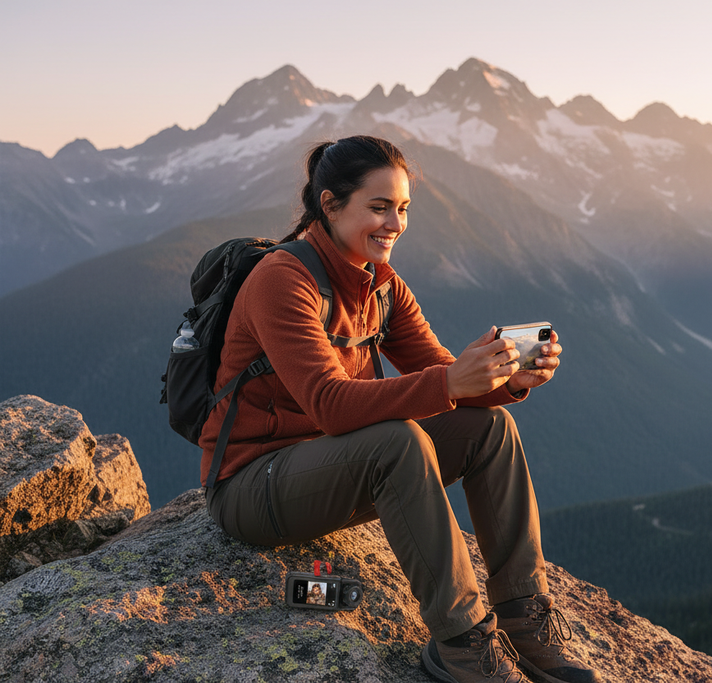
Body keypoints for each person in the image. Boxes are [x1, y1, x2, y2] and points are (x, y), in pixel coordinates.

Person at [200, 135, 601, 683]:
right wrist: (451, 380)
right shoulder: (282, 280)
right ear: (330, 205)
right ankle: (463, 643)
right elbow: (331, 405)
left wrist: (506, 379)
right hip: (251, 488)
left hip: (334, 469)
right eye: (380, 207)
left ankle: (523, 616)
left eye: (404, 208)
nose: (395, 224)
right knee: (399, 441)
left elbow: (444, 377)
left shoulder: (382, 286)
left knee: (491, 428)